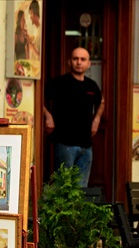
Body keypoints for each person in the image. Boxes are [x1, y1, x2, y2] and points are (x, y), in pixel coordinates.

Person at [44, 47, 105, 187]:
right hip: (65, 144)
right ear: (69, 62)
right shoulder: (59, 83)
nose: (79, 62)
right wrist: (48, 116)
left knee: (81, 189)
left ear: (88, 63)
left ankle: (77, 210)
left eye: (83, 59)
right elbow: (38, 97)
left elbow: (101, 101)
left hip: (86, 146)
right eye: (75, 59)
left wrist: (96, 120)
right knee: (62, 186)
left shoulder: (91, 85)